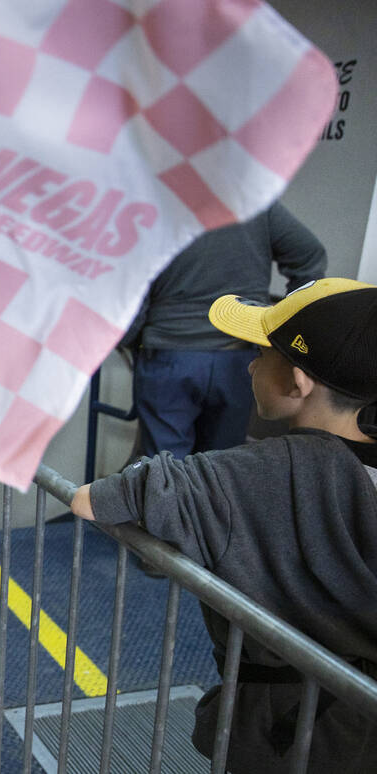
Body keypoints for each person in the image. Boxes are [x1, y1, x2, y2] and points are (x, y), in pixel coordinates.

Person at [72, 278, 377, 772]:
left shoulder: (251, 473)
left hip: (284, 733)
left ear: (297, 382)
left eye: (261, 351)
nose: (251, 363)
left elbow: (91, 501)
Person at [128, 202, 326, 458]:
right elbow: (309, 255)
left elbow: (134, 285)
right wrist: (283, 329)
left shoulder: (162, 203)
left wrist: (132, 338)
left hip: (171, 353)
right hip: (239, 357)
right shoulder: (255, 202)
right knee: (221, 470)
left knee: (164, 471)